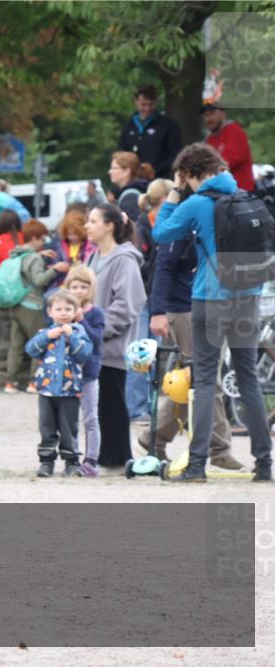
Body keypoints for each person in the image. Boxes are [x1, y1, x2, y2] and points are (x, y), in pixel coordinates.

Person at [152, 142, 272, 482]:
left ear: (187, 174)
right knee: (248, 380)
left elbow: (161, 233)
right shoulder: (245, 196)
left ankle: (196, 466)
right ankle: (264, 463)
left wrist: (174, 193)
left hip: (211, 299)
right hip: (249, 298)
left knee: (205, 380)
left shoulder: (197, 203)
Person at [137, 212, 245, 471]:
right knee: (205, 378)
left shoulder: (216, 217)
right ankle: (218, 449)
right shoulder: (186, 220)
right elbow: (163, 268)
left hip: (209, 306)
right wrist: (158, 311)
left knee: (194, 381)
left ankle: (155, 437)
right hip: (186, 309)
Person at [84, 203, 146, 469]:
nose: (87, 226)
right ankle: (101, 456)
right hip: (92, 345)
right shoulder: (92, 258)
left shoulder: (124, 260)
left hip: (111, 345)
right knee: (97, 404)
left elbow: (128, 304)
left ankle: (118, 459)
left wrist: (99, 329)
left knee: (112, 401)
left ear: (109, 226)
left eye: (93, 221)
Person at [26, 290, 93, 477]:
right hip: (46, 390)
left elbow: (85, 354)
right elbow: (31, 350)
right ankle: (46, 462)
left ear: (75, 312)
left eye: (68, 309)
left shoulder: (79, 332)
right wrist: (48, 336)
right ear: (50, 312)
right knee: (46, 427)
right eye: (59, 309)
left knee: (68, 428)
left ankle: (72, 462)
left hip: (69, 391)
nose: (63, 313)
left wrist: (72, 336)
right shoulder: (45, 333)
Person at [125, 177, 174, 422]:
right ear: (164, 199)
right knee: (140, 353)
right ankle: (135, 409)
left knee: (152, 354)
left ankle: (147, 407)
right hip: (143, 297)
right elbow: (140, 264)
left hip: (158, 297)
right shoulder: (142, 227)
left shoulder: (166, 225)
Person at [4, 219, 63, 394]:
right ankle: (33, 382)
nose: (44, 242)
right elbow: (38, 280)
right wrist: (55, 269)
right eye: (42, 238)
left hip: (16, 303)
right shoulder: (35, 257)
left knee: (16, 346)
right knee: (39, 343)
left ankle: (10, 383)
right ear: (35, 238)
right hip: (32, 305)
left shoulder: (17, 253)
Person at [63, 266, 105, 477]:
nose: (79, 291)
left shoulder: (95, 313)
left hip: (88, 374)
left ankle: (91, 460)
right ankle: (71, 458)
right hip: (67, 374)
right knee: (68, 419)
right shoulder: (64, 313)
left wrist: (81, 320)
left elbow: (96, 340)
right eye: (75, 286)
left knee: (90, 418)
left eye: (83, 286)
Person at [117, 83, 182, 179]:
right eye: (143, 105)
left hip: (159, 179)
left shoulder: (168, 125)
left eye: (151, 104)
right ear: (136, 102)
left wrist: (155, 170)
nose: (147, 109)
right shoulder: (129, 126)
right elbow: (121, 153)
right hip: (133, 179)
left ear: (156, 102)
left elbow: (176, 155)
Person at [202, 103, 255, 192]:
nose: (208, 119)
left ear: (223, 113)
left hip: (240, 192)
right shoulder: (209, 139)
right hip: (220, 192)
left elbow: (232, 160)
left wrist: (206, 167)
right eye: (205, 115)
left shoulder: (233, 130)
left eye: (212, 113)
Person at [42, 209, 95, 291]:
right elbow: (53, 265)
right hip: (61, 283)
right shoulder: (60, 246)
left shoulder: (89, 246)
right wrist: (56, 267)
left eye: (75, 234)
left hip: (82, 284)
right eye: (69, 234)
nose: (72, 237)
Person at [107, 151, 151, 223]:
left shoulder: (130, 197)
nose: (109, 172)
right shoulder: (134, 192)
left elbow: (133, 227)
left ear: (127, 171)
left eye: (114, 168)